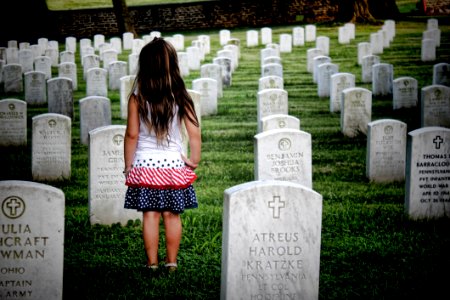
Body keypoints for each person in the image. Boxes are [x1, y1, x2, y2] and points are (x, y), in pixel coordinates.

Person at [123, 37, 201, 273]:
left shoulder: (137, 97)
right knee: (172, 214)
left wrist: (129, 165)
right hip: (174, 166)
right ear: (172, 65)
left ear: (144, 66)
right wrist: (194, 159)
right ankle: (172, 262)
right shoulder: (181, 96)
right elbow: (194, 131)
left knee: (150, 214)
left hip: (146, 165)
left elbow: (132, 135)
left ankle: (152, 263)